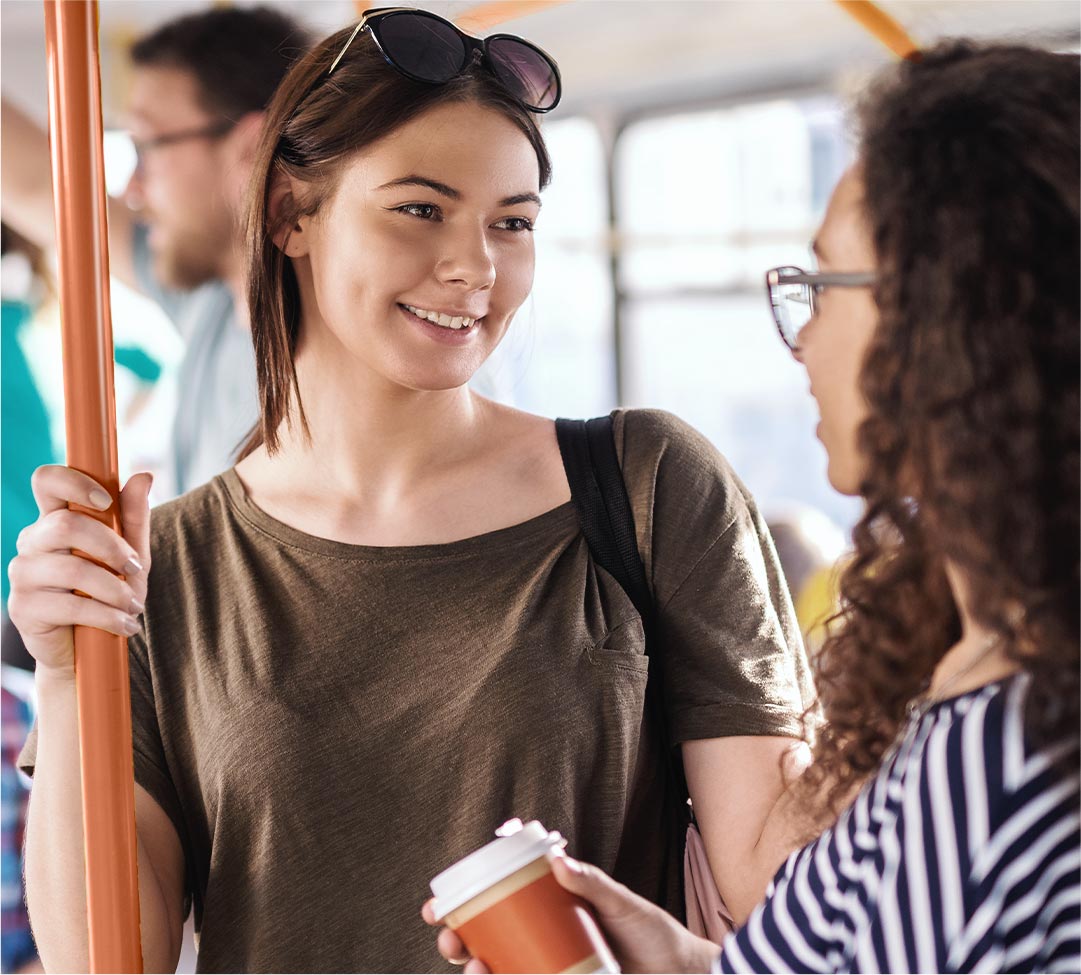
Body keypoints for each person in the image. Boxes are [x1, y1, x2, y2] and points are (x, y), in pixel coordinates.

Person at [9, 10, 816, 973]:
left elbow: (785, 896)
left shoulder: (646, 487)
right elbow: (108, 961)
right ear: (287, 215)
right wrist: (64, 682)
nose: (474, 267)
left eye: (510, 223)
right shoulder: (163, 565)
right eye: (420, 209)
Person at [425, 41, 1081, 974]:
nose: (801, 339)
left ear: (950, 318)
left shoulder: (1009, 756)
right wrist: (676, 960)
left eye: (822, 286)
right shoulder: (972, 681)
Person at [1, 7, 311, 497]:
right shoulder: (210, 303)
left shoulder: (340, 369)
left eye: (148, 146)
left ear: (250, 147)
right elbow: (39, 185)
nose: (132, 187)